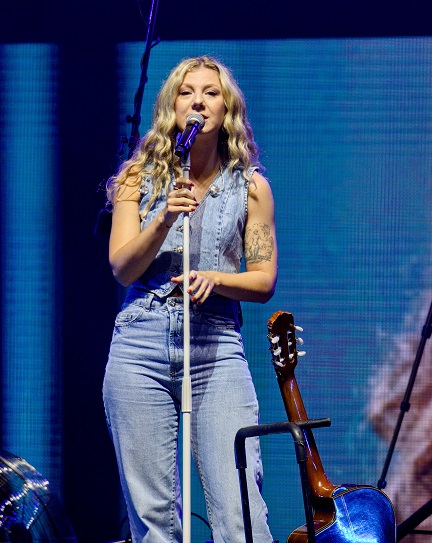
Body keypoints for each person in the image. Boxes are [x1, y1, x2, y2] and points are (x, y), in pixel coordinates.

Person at [102, 56, 277, 542]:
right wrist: (162, 219)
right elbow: (122, 267)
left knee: (241, 513)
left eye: (211, 92)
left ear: (228, 109)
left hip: (216, 347)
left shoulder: (251, 187)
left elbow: (263, 279)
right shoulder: (137, 178)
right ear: (172, 107)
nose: (198, 100)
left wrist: (216, 280)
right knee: (155, 522)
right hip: (141, 346)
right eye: (187, 91)